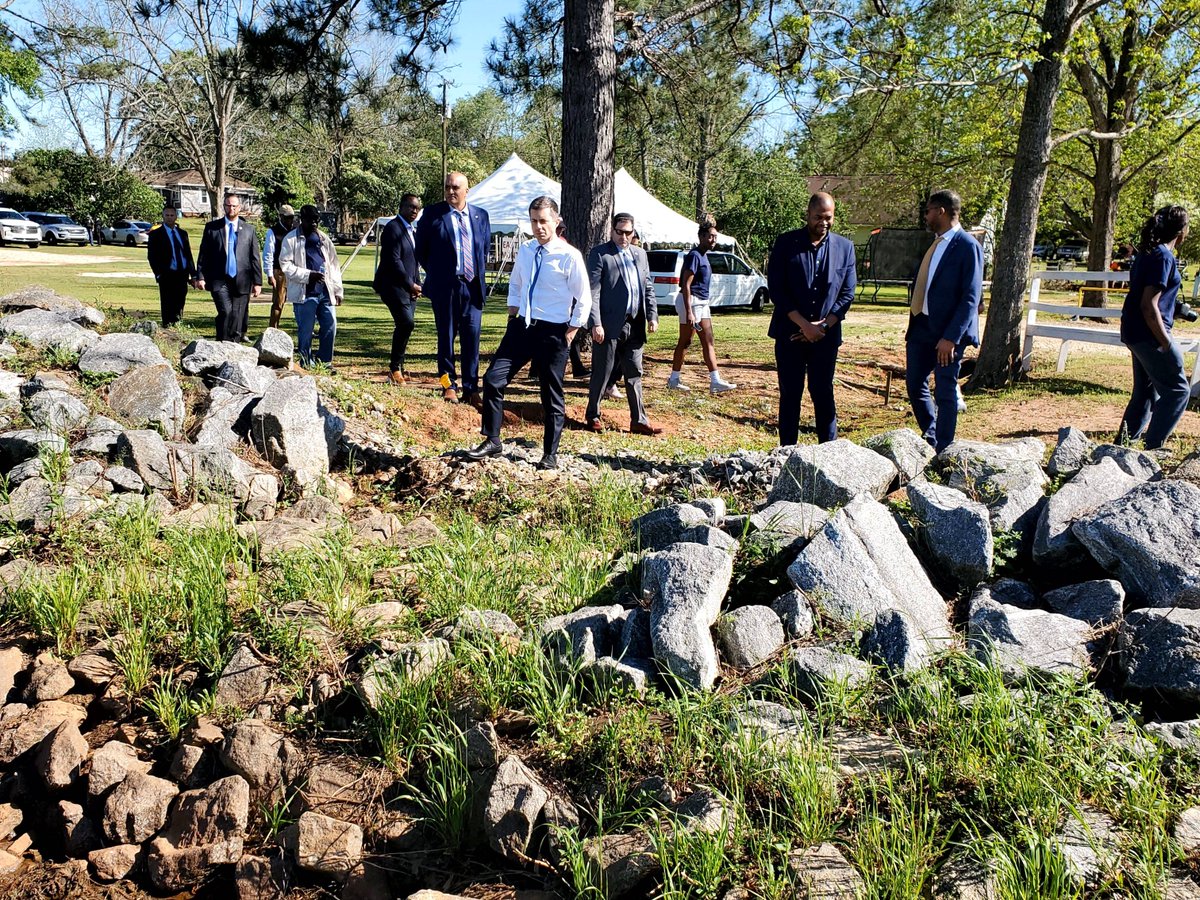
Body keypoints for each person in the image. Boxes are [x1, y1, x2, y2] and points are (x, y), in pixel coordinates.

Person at [462, 196, 590, 471]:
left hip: (554, 331)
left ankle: (550, 453)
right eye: (534, 221)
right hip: (522, 326)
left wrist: (571, 331)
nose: (538, 227)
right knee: (494, 379)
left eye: (543, 221)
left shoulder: (569, 256)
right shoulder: (526, 250)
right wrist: (512, 317)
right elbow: (517, 285)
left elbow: (584, 298)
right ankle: (492, 439)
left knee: (550, 393)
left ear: (556, 221)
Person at [767, 192, 857, 445]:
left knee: (822, 393)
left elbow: (847, 294)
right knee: (790, 394)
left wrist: (824, 325)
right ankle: (787, 452)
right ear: (807, 215)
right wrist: (804, 325)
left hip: (825, 337)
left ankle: (830, 451)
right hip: (790, 334)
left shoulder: (845, 248)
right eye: (818, 217)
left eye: (828, 218)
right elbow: (778, 290)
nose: (823, 222)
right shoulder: (786, 244)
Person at [904, 189, 984, 452]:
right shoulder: (936, 244)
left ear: (941, 211)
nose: (925, 216)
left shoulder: (967, 245)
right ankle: (931, 434)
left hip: (948, 334)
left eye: (928, 210)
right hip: (922, 327)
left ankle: (944, 448)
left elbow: (970, 297)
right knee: (915, 383)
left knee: (945, 389)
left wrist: (951, 337)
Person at [1117, 205, 1191, 449]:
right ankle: (1152, 449)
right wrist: (1166, 343)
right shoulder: (1163, 256)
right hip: (1149, 335)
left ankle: (1122, 447)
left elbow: (1146, 295)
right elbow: (1149, 306)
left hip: (1133, 331)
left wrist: (1174, 307)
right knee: (1178, 391)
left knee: (1146, 393)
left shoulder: (1148, 253)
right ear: (1182, 232)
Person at [415, 171, 491, 406]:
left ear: (466, 190)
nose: (450, 192)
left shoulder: (480, 216)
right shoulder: (432, 214)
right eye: (447, 187)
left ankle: (471, 387)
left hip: (472, 287)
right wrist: (440, 274)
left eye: (455, 188)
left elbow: (484, 249)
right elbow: (421, 251)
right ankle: (449, 385)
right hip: (446, 287)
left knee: (472, 338)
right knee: (446, 337)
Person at [584, 213, 663, 436]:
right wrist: (595, 323)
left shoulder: (640, 254)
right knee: (603, 371)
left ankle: (638, 420)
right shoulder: (601, 254)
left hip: (635, 324)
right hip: (608, 324)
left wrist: (652, 316)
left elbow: (647, 287)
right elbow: (593, 291)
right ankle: (593, 414)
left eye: (628, 232)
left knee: (634, 372)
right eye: (620, 232)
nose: (624, 237)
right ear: (612, 231)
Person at [666, 220, 737, 394]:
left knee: (708, 341)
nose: (713, 240)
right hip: (691, 301)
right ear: (701, 237)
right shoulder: (694, 255)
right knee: (685, 341)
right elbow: (686, 284)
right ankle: (674, 379)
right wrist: (689, 311)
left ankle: (715, 381)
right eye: (710, 236)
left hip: (702, 303)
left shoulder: (704, 255)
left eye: (715, 237)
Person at [279, 204, 344, 368]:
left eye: (316, 220)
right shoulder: (291, 239)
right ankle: (306, 362)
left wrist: (338, 290)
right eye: (310, 220)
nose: (314, 224)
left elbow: (333, 265)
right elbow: (286, 266)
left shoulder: (323, 239)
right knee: (306, 330)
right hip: (305, 293)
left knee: (330, 325)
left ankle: (325, 361)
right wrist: (309, 275)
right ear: (302, 220)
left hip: (325, 291)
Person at [194, 193, 262, 342]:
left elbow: (255, 257)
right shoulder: (212, 228)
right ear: (224, 206)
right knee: (226, 311)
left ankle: (234, 344)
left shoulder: (249, 230)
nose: (231, 208)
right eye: (228, 205)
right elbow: (203, 254)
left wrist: (258, 282)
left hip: (242, 280)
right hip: (219, 279)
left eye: (234, 206)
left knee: (237, 315)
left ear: (239, 207)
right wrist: (200, 276)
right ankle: (222, 342)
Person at [373, 194, 424, 385]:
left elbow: (413, 262)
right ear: (401, 207)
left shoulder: (412, 230)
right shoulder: (393, 229)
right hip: (392, 286)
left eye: (417, 208)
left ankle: (398, 367)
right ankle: (395, 368)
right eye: (411, 207)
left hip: (409, 287)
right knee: (406, 323)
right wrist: (409, 284)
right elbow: (393, 261)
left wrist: (417, 284)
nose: (414, 211)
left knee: (406, 326)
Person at [146, 204, 195, 327]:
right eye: (166, 215)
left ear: (176, 217)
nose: (169, 217)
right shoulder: (155, 234)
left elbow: (188, 255)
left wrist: (193, 274)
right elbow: (152, 257)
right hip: (166, 274)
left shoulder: (182, 234)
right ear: (163, 216)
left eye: (172, 215)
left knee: (180, 302)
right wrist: (158, 273)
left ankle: (177, 326)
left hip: (182, 274)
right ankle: (167, 328)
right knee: (168, 303)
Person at [262, 204, 296, 329]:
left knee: (299, 300)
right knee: (278, 302)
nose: (290, 220)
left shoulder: (296, 230)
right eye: (287, 217)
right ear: (280, 217)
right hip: (279, 271)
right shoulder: (273, 231)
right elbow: (268, 253)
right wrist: (270, 274)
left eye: (292, 217)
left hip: (295, 270)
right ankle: (273, 328)